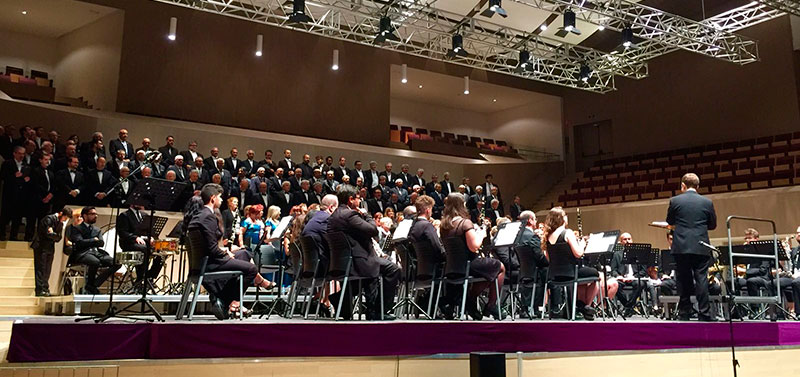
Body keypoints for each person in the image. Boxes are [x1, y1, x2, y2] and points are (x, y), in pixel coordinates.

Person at [187, 184, 274, 320]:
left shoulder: (199, 215)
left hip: (203, 262)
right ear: (213, 198)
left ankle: (227, 300)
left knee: (243, 253)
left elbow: (208, 246)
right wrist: (226, 254)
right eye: (220, 197)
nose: (222, 200)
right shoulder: (208, 216)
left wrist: (226, 251)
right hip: (211, 264)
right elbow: (213, 250)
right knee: (251, 269)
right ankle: (234, 303)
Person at [326, 184, 400, 320]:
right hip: (359, 261)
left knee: (372, 272)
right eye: (358, 198)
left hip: (343, 261)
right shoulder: (349, 215)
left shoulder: (334, 216)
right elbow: (373, 230)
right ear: (350, 199)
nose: (359, 201)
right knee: (393, 269)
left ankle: (341, 298)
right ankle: (379, 311)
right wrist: (367, 215)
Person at [439, 193, 505, 320]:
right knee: (499, 267)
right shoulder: (465, 223)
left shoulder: (444, 225)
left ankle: (471, 301)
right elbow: (474, 247)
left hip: (452, 267)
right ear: (462, 205)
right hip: (468, 265)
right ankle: (490, 304)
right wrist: (481, 233)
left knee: (489, 272)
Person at [666, 173, 717, 322]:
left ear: (683, 185)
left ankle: (685, 312)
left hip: (681, 245)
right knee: (701, 279)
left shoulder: (675, 201)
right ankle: (704, 313)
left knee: (683, 279)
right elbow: (712, 225)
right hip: (700, 245)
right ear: (698, 186)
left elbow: (670, 221)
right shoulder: (707, 202)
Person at [542, 206, 599, 320]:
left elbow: (548, 259)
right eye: (565, 215)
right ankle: (584, 307)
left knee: (583, 280)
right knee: (596, 275)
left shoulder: (548, 236)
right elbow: (578, 254)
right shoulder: (567, 233)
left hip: (555, 275)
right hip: (572, 272)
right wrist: (582, 244)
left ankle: (579, 306)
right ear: (561, 218)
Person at [70, 206, 121, 294]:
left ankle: (94, 284)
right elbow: (79, 243)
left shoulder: (96, 230)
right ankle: (91, 284)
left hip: (96, 252)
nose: (96, 216)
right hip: (83, 253)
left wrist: (90, 241)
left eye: (96, 214)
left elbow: (101, 243)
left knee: (117, 263)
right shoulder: (76, 228)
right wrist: (93, 240)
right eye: (93, 214)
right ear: (85, 216)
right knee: (95, 262)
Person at [31, 207, 72, 296]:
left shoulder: (60, 223)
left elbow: (59, 238)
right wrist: (54, 235)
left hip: (50, 247)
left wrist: (54, 234)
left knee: (47, 269)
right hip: (41, 246)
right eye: (65, 217)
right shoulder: (49, 219)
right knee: (41, 268)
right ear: (61, 213)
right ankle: (39, 289)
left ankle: (45, 288)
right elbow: (48, 234)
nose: (65, 220)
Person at [0, 146, 31, 240]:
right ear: (14, 153)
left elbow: (27, 179)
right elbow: (3, 176)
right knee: (5, 216)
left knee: (17, 217)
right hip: (9, 194)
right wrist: (14, 176)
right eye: (20, 153)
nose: (22, 155)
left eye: (23, 154)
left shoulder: (26, 166)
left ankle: (14, 236)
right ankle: (2, 234)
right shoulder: (7, 163)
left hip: (21, 195)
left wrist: (25, 180)